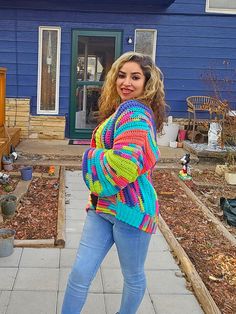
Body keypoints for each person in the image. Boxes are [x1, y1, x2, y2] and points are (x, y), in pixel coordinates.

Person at [62, 51, 167, 314]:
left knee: (132, 276)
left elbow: (123, 167)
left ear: (147, 83)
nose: (126, 83)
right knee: (79, 272)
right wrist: (97, 190)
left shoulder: (134, 113)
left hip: (131, 212)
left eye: (135, 77)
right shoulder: (121, 110)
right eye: (121, 76)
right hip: (102, 209)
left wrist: (91, 156)